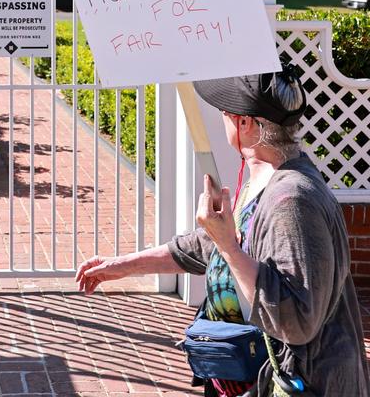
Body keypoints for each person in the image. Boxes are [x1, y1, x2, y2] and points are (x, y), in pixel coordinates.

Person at [75, 61, 369, 396]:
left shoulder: (292, 201)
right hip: (253, 375)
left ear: (245, 123)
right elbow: (204, 246)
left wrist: (228, 246)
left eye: (225, 112)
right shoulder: (265, 177)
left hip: (303, 383)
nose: (222, 118)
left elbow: (297, 321)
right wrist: (119, 267)